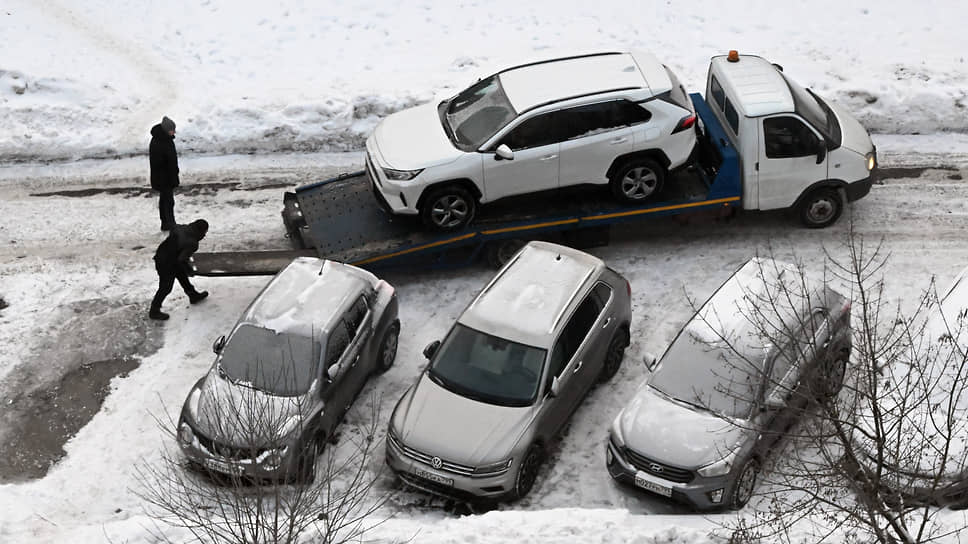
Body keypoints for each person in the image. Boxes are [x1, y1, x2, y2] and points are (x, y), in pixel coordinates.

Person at [149, 219, 210, 321]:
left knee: (181, 274)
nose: (204, 236)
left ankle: (193, 295)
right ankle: (154, 311)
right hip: (165, 262)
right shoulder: (192, 242)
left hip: (163, 254)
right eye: (204, 233)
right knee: (166, 287)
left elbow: (173, 229)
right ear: (201, 232)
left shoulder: (182, 227)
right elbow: (182, 260)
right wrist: (189, 270)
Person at [149, 116, 180, 231]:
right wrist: (172, 174)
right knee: (168, 202)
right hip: (164, 178)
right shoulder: (160, 141)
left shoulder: (164, 139)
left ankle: (167, 223)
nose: (174, 132)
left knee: (165, 201)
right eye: (172, 129)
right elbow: (164, 162)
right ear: (167, 130)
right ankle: (170, 224)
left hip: (165, 177)